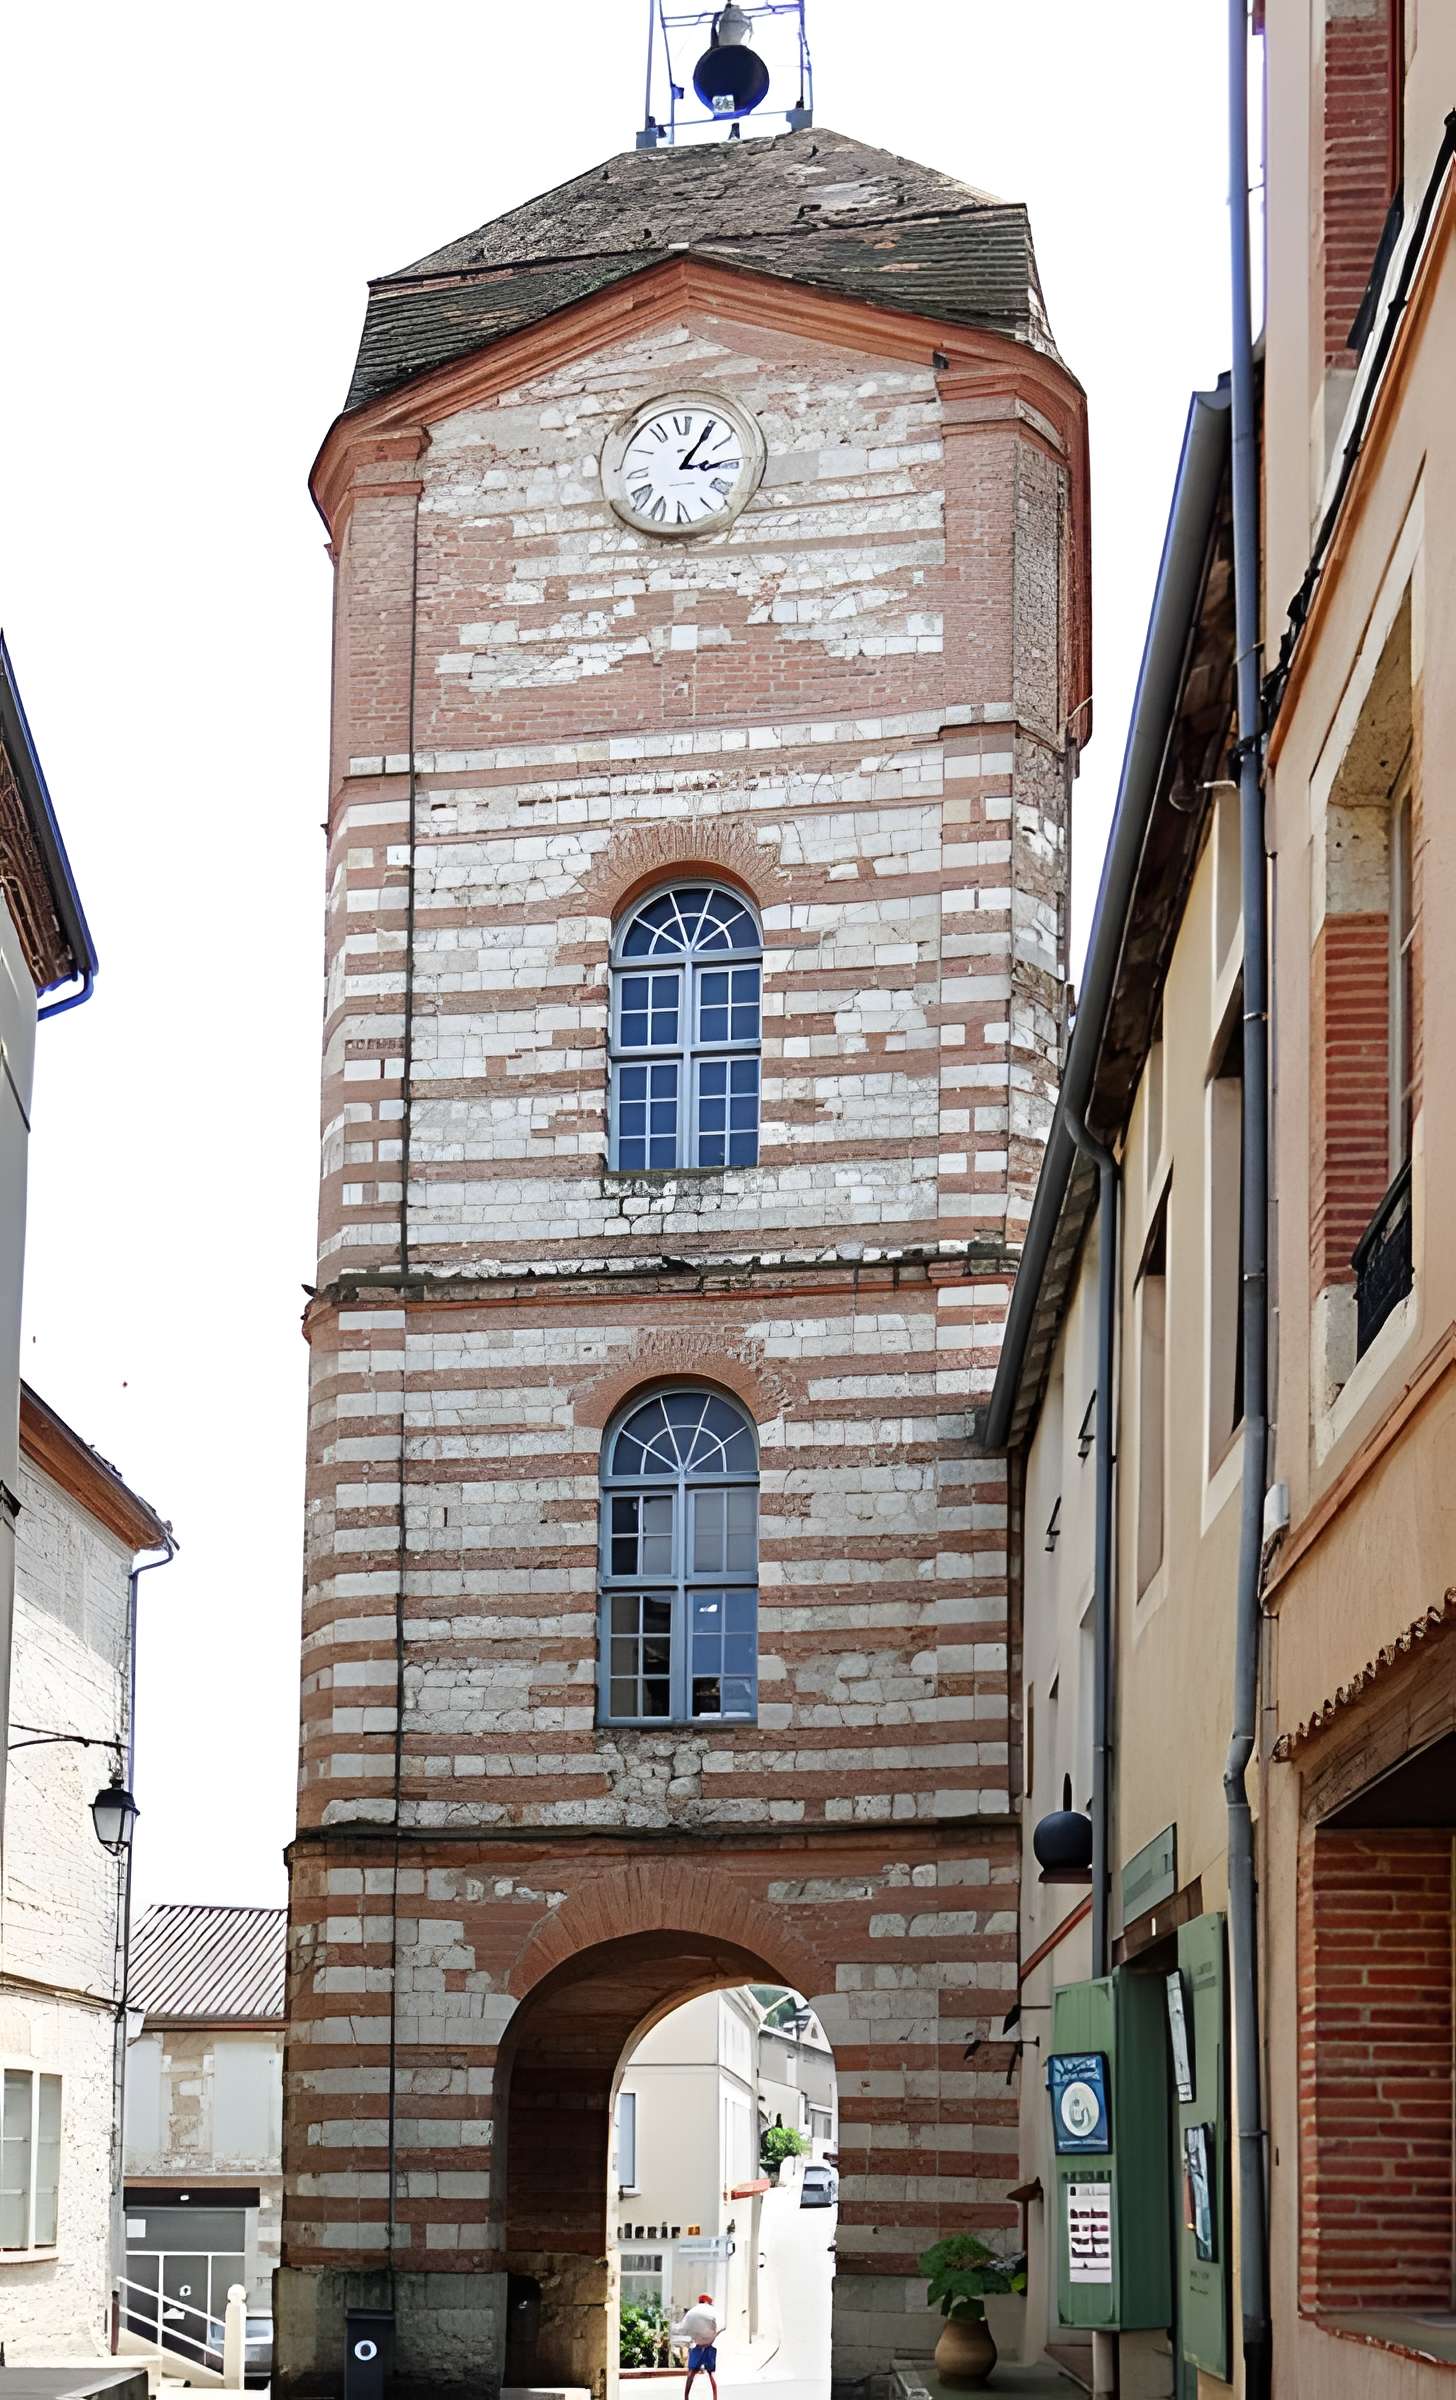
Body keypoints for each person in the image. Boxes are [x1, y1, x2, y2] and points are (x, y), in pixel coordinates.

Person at [672, 2293, 720, 2400]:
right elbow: (721, 2326)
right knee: (711, 2374)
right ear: (708, 2302)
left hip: (697, 2347)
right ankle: (715, 2398)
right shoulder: (712, 2311)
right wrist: (713, 2337)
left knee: (691, 2374)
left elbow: (683, 2329)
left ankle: (686, 2397)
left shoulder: (692, 2312)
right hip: (708, 2346)